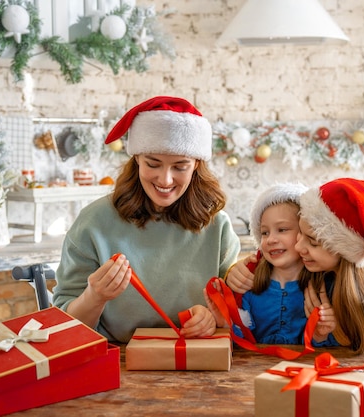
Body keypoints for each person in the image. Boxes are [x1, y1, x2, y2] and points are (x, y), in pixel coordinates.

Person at [52, 96, 241, 344]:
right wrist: (94, 296)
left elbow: (236, 318)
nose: (165, 180)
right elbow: (66, 330)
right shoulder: (93, 223)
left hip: (196, 359)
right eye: (153, 164)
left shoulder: (217, 227)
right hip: (117, 360)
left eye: (180, 167)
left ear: (196, 165)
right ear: (137, 158)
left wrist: (213, 319)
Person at [227, 177, 364, 354]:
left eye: (312, 242)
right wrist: (234, 273)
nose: (300, 246)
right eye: (301, 234)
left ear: (345, 251)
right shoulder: (321, 276)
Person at [208, 183, 336, 346]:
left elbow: (336, 347)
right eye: (264, 232)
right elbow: (239, 341)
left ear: (304, 232)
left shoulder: (325, 286)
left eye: (282, 229)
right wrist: (225, 322)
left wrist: (320, 334)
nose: (271, 239)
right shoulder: (249, 282)